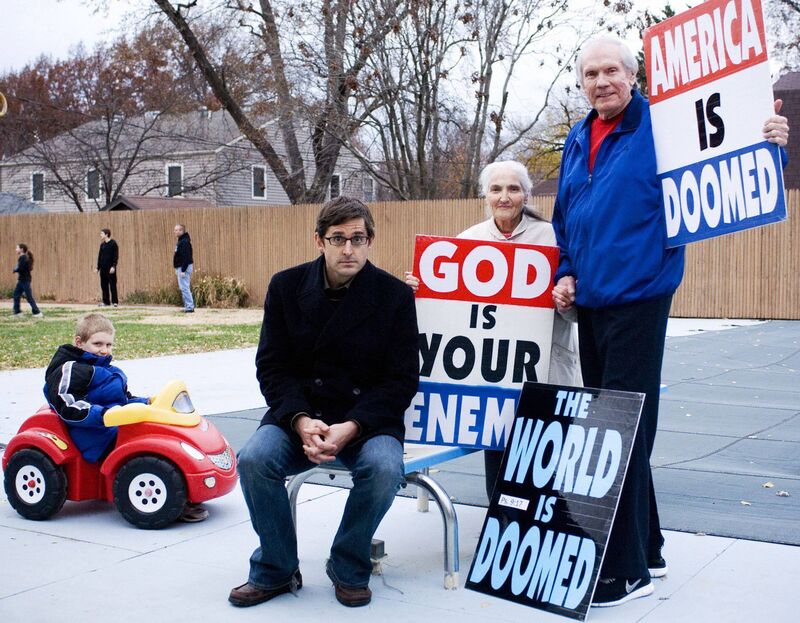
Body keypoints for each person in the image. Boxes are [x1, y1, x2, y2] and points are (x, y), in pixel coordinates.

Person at [550, 35, 790, 608]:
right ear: (581, 84)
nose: (601, 81)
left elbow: (732, 160)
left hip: (638, 297)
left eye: (611, 71)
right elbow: (566, 217)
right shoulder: (579, 135)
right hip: (590, 304)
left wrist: (774, 146)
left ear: (632, 76)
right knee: (616, 425)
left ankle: (625, 571)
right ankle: (650, 547)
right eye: (590, 74)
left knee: (620, 432)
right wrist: (565, 272)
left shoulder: (665, 125)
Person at [230, 196, 419, 609]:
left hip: (366, 421)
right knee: (254, 460)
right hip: (298, 416)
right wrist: (300, 420)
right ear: (319, 241)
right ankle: (276, 568)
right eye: (338, 239)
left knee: (386, 469)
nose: (348, 249)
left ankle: (349, 564)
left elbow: (401, 380)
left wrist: (351, 426)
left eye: (357, 238)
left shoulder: (394, 297)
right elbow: (272, 367)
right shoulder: (285, 286)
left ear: (370, 240)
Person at [405, 160, 582, 500]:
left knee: (548, 461)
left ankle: (544, 536)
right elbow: (446, 313)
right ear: (484, 195)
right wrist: (419, 292)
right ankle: (501, 533)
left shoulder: (554, 238)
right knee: (500, 464)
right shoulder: (467, 242)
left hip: (547, 371)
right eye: (496, 189)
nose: (505, 197)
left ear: (527, 194)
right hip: (492, 378)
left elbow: (577, 312)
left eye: (513, 189)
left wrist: (566, 301)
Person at [43, 312, 208, 522]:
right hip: (92, 434)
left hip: (112, 425)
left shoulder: (110, 370)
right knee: (146, 447)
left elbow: (123, 399)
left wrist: (146, 402)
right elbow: (67, 403)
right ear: (79, 342)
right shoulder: (70, 369)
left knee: (157, 431)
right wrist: (102, 414)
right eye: (97, 344)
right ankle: (168, 497)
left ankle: (182, 486)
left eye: (109, 345)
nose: (104, 350)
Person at [12, 243, 42, 318]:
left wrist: (15, 269)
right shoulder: (24, 257)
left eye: (17, 248)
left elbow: (21, 268)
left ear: (21, 249)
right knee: (16, 295)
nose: (16, 249)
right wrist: (16, 269)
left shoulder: (23, 258)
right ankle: (17, 312)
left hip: (25, 281)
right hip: (22, 280)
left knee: (29, 296)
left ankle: (37, 312)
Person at [173, 223, 194, 313]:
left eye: (177, 230)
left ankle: (189, 307)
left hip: (183, 267)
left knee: (185, 287)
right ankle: (187, 306)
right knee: (183, 287)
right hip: (180, 267)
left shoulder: (184, 242)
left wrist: (183, 270)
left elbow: (187, 256)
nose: (175, 231)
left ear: (182, 231)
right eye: (175, 230)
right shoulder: (181, 241)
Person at [96, 228, 119, 307]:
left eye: (102, 233)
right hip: (103, 269)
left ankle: (114, 302)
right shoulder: (102, 245)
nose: (100, 235)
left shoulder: (113, 243)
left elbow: (115, 256)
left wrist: (114, 266)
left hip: (110, 269)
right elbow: (100, 257)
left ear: (106, 234)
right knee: (104, 285)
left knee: (112, 285)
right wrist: (97, 268)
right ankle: (106, 302)